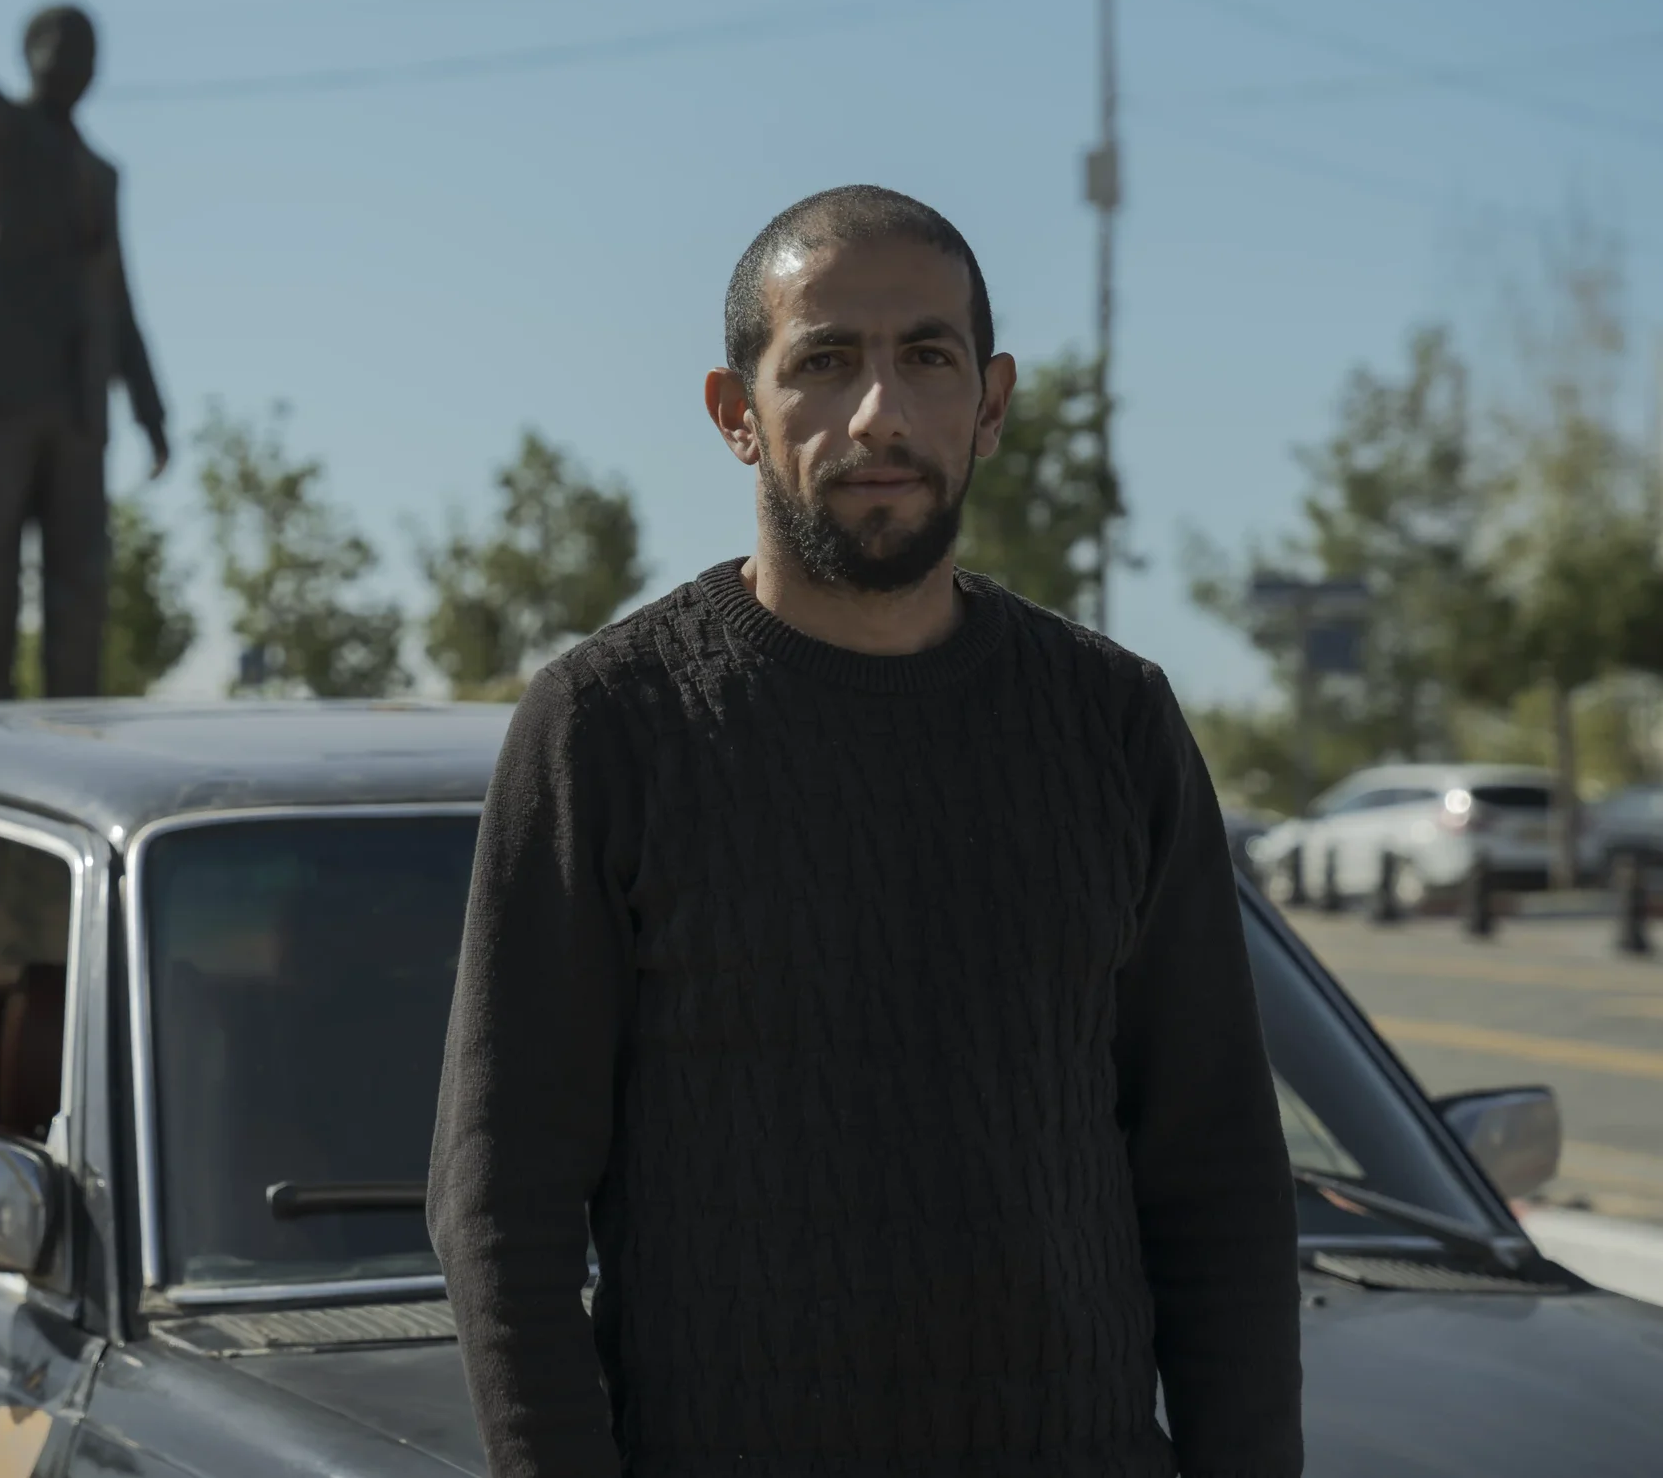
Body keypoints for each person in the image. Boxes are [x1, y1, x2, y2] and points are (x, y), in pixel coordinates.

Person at [428, 186, 1300, 1478]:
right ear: (739, 414)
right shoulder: (606, 727)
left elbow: (1216, 1171)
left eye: (927, 358)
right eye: (823, 361)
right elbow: (504, 1201)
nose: (878, 411)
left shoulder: (1114, 723)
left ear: (990, 403)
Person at [0, 0, 170, 701]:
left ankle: (74, 733)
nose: (75, 58)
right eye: (60, 42)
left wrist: (150, 406)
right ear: (31, 52)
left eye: (88, 48)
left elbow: (120, 296)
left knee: (82, 586)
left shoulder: (102, 173)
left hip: (78, 398)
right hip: (1, 382)